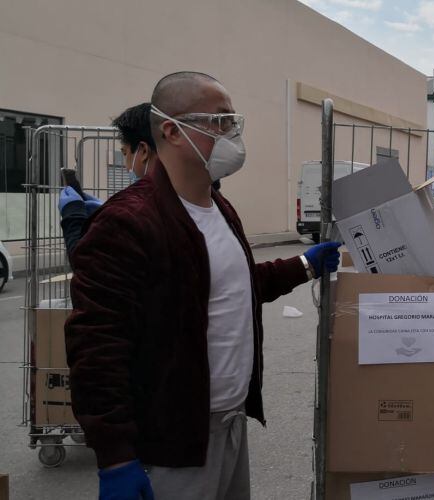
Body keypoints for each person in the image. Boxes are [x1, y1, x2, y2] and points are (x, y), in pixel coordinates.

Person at [65, 71, 342, 500]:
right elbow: (96, 344)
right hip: (172, 445)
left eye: (233, 121)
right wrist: (116, 456)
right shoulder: (128, 222)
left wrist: (306, 264)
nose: (232, 133)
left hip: (228, 427)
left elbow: (235, 286)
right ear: (172, 131)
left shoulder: (219, 207)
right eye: (219, 121)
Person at [58, 103, 157, 257]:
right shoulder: (186, 195)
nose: (126, 166)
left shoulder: (139, 208)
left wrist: (73, 215)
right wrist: (105, 212)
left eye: (125, 153)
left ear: (143, 151)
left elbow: (85, 262)